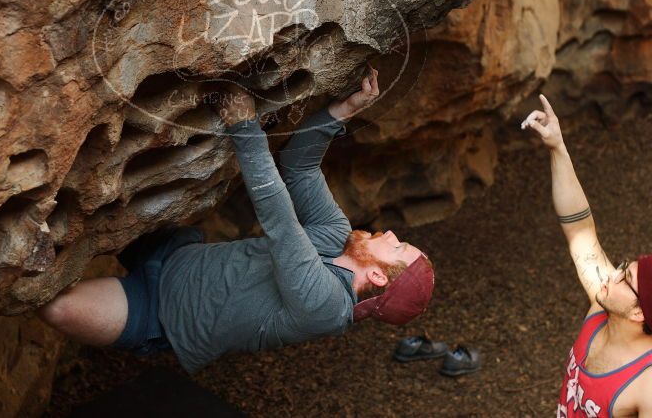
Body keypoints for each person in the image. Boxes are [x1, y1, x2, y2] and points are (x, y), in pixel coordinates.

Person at [38, 65, 435, 374]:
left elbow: (280, 220)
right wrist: (343, 110)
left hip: (161, 312)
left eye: (397, 246)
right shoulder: (338, 236)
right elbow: (300, 168)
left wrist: (244, 126)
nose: (392, 234)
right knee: (108, 205)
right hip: (176, 253)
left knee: (58, 308)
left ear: (379, 277)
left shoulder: (327, 308)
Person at [522, 94, 652, 417]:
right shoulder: (602, 304)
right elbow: (579, 227)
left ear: (639, 314)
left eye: (626, 278)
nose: (612, 274)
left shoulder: (646, 385)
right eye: (624, 267)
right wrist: (558, 147)